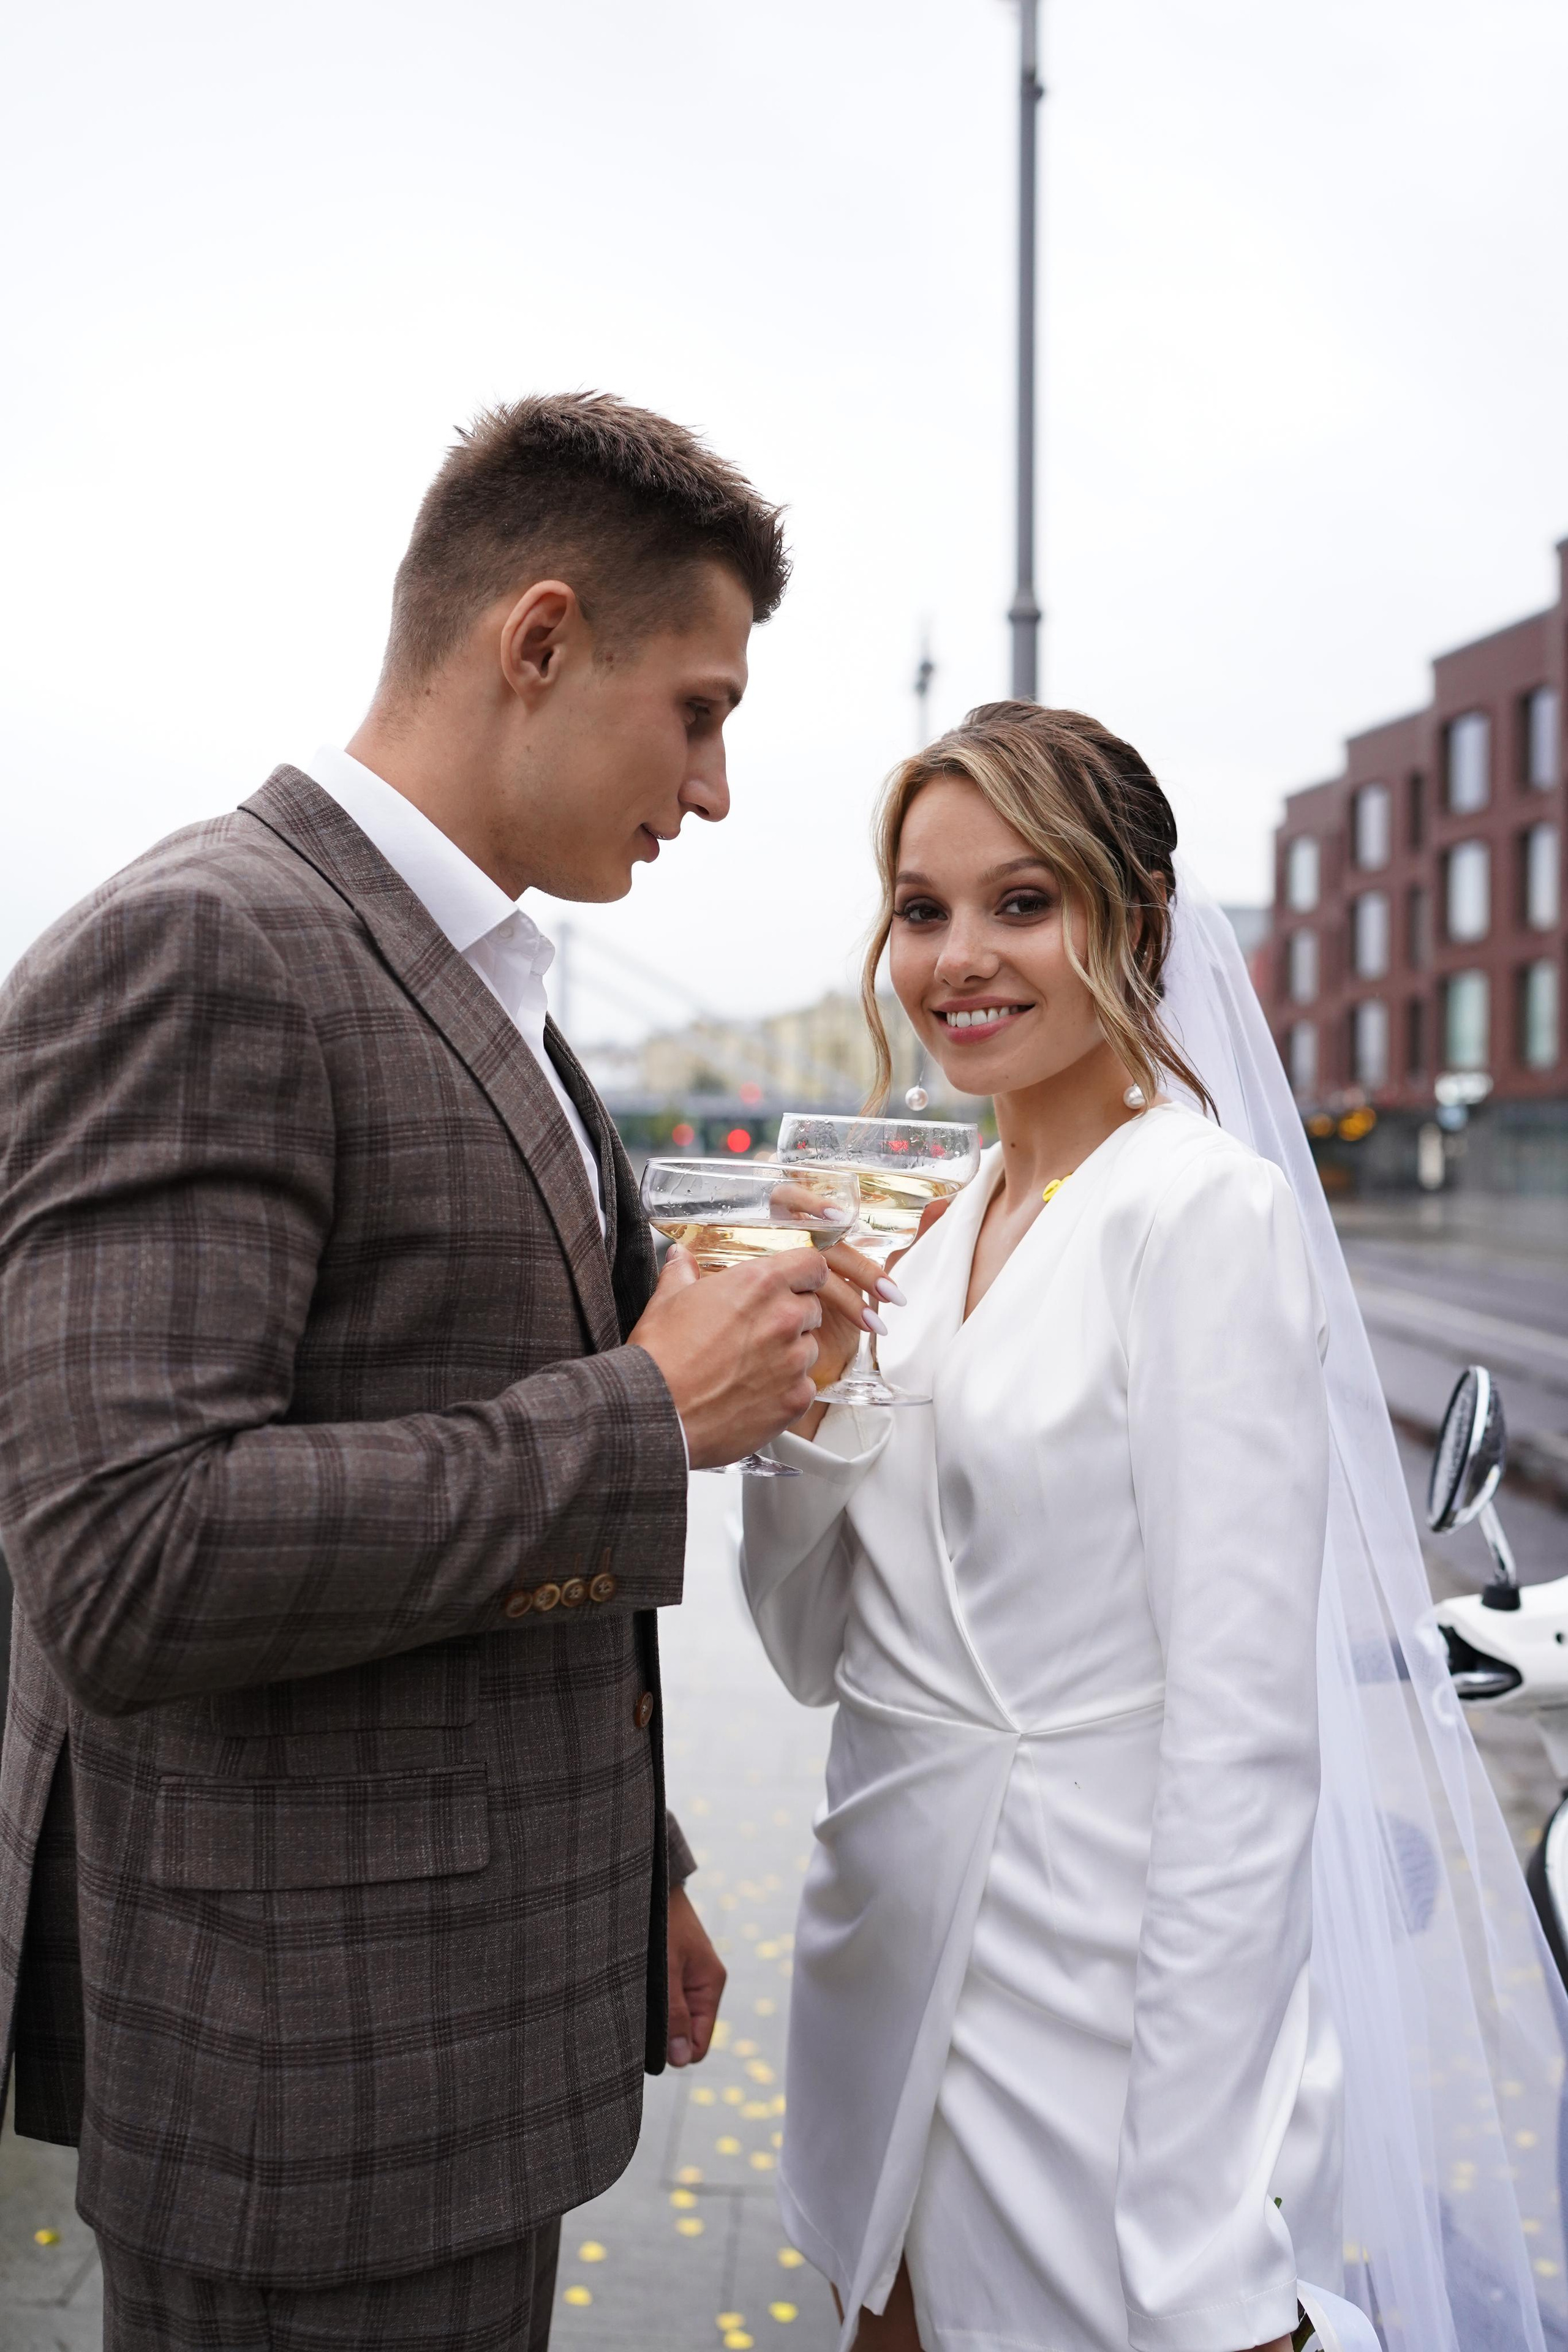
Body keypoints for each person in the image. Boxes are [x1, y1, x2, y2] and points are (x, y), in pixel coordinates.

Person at [0, 393, 832, 2352]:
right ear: (537, 642)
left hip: (471, 2025)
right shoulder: (208, 948)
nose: (714, 792)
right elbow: (125, 1555)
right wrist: (647, 1411)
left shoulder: (492, 987)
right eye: (700, 712)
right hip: (309, 2085)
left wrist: (644, 1863)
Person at [741, 703, 1568, 2352]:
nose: (959, 956)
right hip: (877, 1959)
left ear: (1138, 916)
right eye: (922, 908)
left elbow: (1247, 1751)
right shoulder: (914, 1233)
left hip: (1097, 1999)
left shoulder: (1204, 1216)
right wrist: (808, 1399)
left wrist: (1198, 2224)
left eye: (1022, 902)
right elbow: (808, 1648)